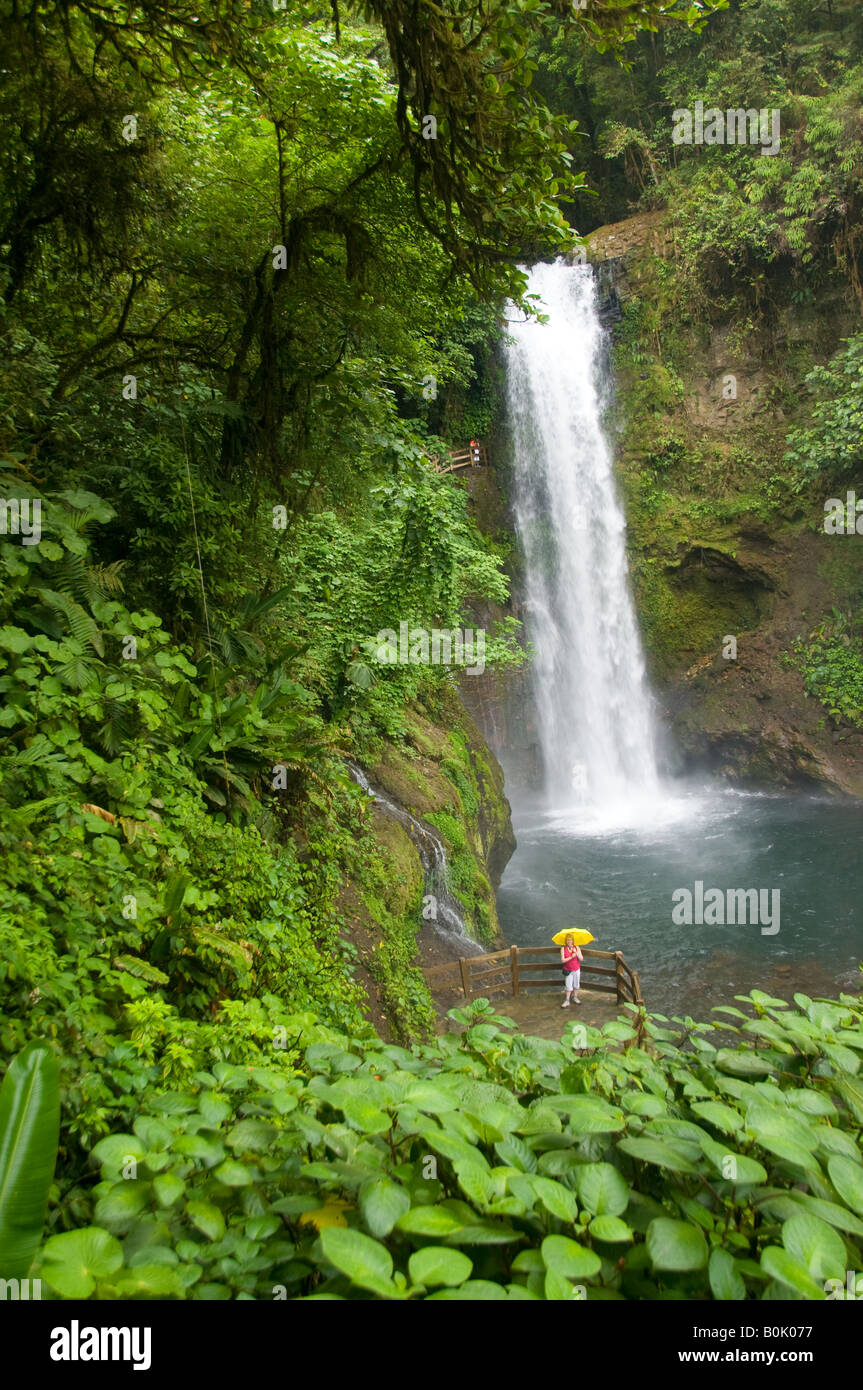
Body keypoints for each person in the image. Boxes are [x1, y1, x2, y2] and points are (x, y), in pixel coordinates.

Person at [560, 933, 583, 1007]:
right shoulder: (563, 948)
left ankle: (575, 997)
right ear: (566, 941)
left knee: (576, 984)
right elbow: (563, 960)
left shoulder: (577, 948)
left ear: (573, 941)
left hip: (576, 969)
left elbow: (581, 959)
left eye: (571, 940)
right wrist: (571, 957)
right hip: (568, 970)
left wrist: (576, 953)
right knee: (568, 985)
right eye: (568, 940)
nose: (569, 941)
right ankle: (567, 1000)